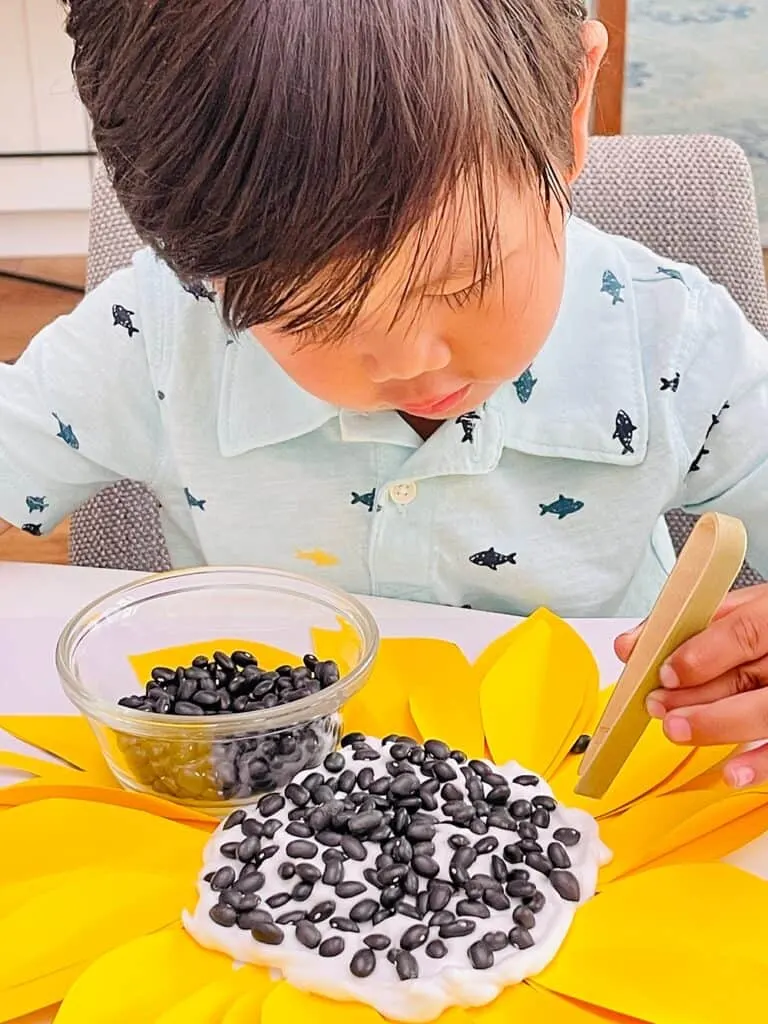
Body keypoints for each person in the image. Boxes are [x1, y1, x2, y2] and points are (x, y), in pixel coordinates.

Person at [1, 1, 767, 784]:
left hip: (596, 792)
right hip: (254, 798)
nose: (409, 362)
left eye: (467, 277)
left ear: (572, 106)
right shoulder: (160, 333)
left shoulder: (678, 340)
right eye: (307, 315)